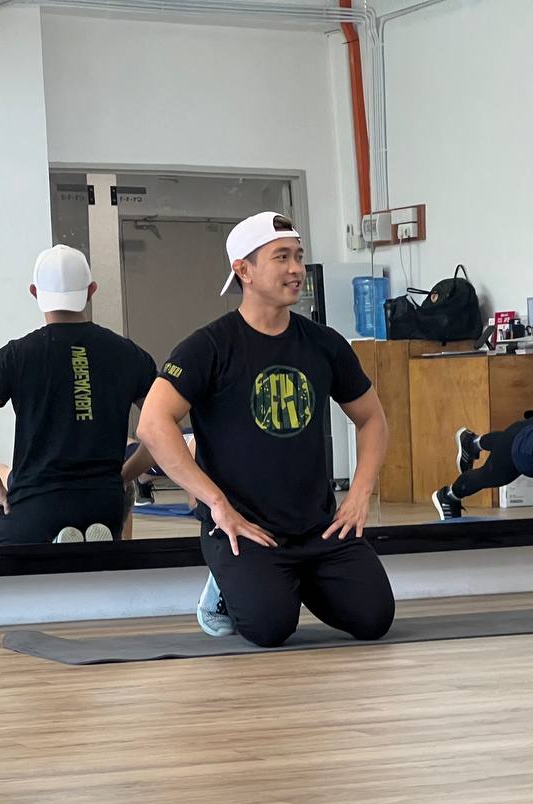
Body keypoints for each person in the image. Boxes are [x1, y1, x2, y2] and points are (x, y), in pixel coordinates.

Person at [137, 211, 395, 648]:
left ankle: (282, 579)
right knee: (269, 628)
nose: (296, 269)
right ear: (244, 270)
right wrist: (216, 504)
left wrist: (359, 494)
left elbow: (371, 418)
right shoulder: (209, 346)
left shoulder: (324, 344)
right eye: (281, 257)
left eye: (298, 256)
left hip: (316, 528)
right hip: (242, 527)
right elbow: (152, 424)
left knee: (374, 618)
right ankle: (229, 586)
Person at [0, 245, 157, 546]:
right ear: (91, 290)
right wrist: (124, 476)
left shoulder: (15, 356)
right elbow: (162, 430)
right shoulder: (130, 355)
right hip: (104, 504)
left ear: (35, 292)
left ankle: (58, 539)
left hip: (37, 507)